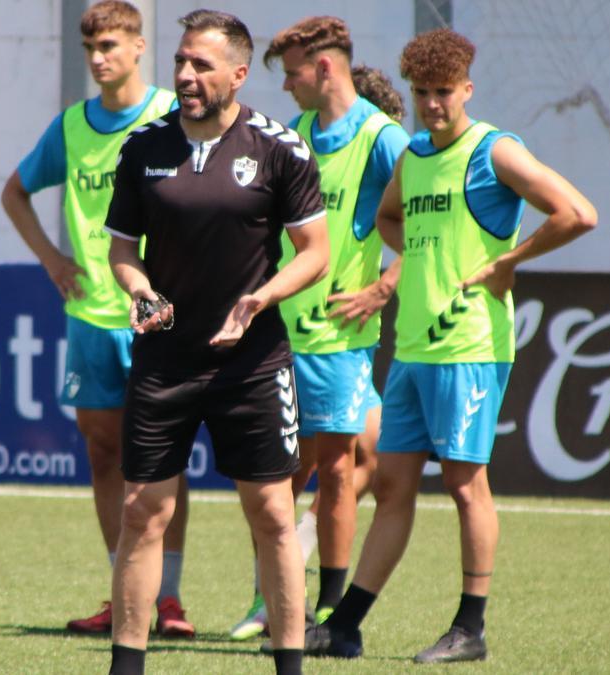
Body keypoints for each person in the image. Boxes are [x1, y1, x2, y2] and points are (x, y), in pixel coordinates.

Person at [305, 28, 597, 663]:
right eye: (422, 92)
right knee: (393, 488)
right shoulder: (412, 154)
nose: (433, 103)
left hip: (469, 348)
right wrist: (419, 259)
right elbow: (388, 218)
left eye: (443, 91)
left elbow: (576, 212)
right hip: (413, 350)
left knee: (467, 487)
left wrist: (509, 262)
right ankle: (346, 625)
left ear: (467, 88)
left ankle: (471, 628)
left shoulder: (495, 152)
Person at [104, 10, 329, 675]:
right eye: (179, 62)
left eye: (201, 65)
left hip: (253, 363)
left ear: (236, 72)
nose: (185, 75)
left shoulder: (280, 147)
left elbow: (315, 251)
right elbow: (122, 249)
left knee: (271, 512)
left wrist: (263, 297)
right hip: (164, 360)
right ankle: (126, 665)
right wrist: (140, 290)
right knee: (144, 511)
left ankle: (288, 663)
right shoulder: (142, 148)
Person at [0, 0, 194, 638]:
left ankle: (167, 599)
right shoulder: (71, 127)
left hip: (159, 317)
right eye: (91, 48)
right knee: (104, 453)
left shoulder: (175, 114)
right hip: (90, 318)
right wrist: (53, 258)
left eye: (111, 45)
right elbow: (15, 191)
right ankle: (123, 594)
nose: (99, 58)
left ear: (140, 47)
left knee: (162, 458)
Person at [229, 17, 411, 641]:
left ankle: (331, 611)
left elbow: (430, 227)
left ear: (324, 67)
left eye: (293, 73)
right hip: (276, 329)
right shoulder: (292, 135)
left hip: (336, 336)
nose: (288, 88)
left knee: (335, 467)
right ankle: (273, 600)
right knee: (274, 470)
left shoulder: (384, 138)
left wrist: (384, 287)